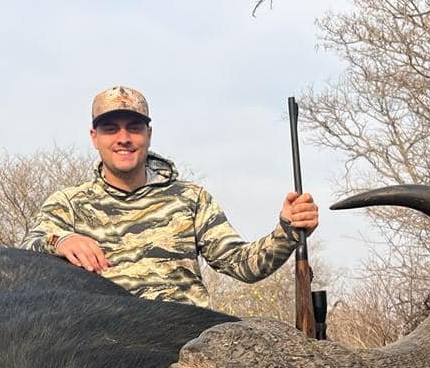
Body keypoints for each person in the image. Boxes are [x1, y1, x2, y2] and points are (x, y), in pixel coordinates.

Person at [20, 85, 320, 307]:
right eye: (111, 129)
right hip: (104, 343)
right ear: (94, 137)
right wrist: (60, 241)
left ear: (148, 134)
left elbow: (244, 264)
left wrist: (287, 229)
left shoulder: (191, 198)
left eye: (134, 128)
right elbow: (23, 258)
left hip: (186, 342)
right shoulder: (69, 204)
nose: (123, 138)